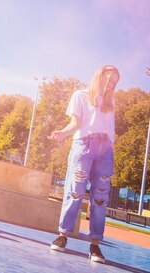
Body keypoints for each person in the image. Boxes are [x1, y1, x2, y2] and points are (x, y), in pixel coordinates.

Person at [48, 65, 120, 264]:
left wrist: (110, 149)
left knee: (100, 197)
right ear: (98, 76)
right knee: (75, 190)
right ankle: (63, 235)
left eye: (114, 81)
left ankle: (95, 245)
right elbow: (76, 123)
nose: (110, 83)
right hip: (84, 145)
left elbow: (110, 129)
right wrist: (63, 133)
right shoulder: (80, 95)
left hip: (106, 149)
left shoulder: (110, 102)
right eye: (107, 78)